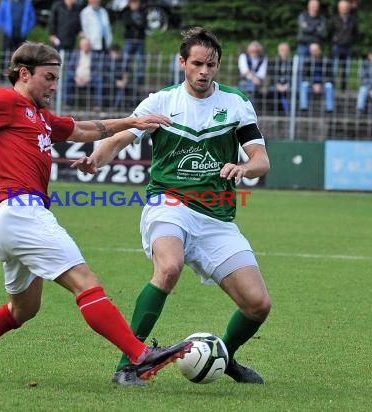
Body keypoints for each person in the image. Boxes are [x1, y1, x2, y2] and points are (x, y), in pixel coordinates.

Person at [0, 41, 192, 381]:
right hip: (22, 212)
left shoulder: (41, 117)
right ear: (25, 73)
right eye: (48, 77)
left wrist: (135, 121)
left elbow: (83, 130)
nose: (54, 86)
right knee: (86, 282)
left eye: (57, 78)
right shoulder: (5, 100)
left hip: (9, 220)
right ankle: (139, 355)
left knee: (23, 309)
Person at [72, 27, 271, 387]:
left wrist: (244, 167)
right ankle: (128, 364)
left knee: (258, 304)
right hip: (169, 204)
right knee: (169, 268)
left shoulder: (235, 102)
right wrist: (96, 158)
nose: (204, 71)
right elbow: (119, 138)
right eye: (196, 63)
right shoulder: (162, 101)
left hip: (217, 216)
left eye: (211, 64)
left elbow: (261, 160)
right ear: (182, 62)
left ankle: (222, 357)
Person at [79, 0, 113, 111]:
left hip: (104, 46)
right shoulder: (85, 12)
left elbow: (107, 28)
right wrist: (87, 44)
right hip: (93, 47)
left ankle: (104, 102)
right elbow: (85, 30)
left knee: (106, 74)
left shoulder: (103, 11)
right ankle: (97, 103)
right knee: (96, 75)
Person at [0, 0, 37, 79]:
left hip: (21, 34)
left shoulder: (27, 3)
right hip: (8, 33)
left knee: (21, 55)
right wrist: (5, 28)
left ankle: (18, 75)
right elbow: (0, 17)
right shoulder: (5, 2)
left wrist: (26, 29)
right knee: (6, 53)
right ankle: (2, 76)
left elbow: (32, 18)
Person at [328, 0, 358, 91]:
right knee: (335, 69)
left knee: (347, 69)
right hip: (336, 47)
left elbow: (355, 32)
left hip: (348, 47)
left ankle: (344, 89)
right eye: (342, 8)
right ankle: (332, 88)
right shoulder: (334, 19)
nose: (344, 9)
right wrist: (334, 40)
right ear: (339, 8)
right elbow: (329, 32)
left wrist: (351, 40)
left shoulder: (352, 19)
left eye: (346, 8)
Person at [120, 0, 147, 99]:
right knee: (125, 62)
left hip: (140, 40)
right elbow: (127, 23)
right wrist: (137, 23)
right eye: (133, 3)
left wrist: (135, 23)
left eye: (136, 2)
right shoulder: (126, 12)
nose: (135, 5)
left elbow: (144, 24)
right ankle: (125, 78)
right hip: (129, 39)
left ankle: (138, 82)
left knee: (140, 64)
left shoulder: (143, 11)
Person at [299, 42, 335, 113]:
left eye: (315, 50)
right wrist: (313, 84)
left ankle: (329, 108)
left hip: (323, 83)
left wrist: (320, 84)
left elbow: (330, 76)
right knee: (303, 85)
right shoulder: (307, 61)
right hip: (311, 83)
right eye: (312, 50)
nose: (313, 52)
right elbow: (304, 76)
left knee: (329, 86)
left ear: (319, 50)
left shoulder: (326, 61)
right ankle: (303, 108)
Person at [268, 42, 293, 114]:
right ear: (278, 51)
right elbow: (271, 75)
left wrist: (287, 85)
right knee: (272, 90)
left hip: (288, 85)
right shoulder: (273, 62)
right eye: (282, 50)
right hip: (276, 84)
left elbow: (293, 76)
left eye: (286, 50)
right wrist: (277, 84)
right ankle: (275, 111)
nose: (284, 52)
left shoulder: (292, 62)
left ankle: (288, 111)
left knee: (292, 90)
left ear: (289, 51)